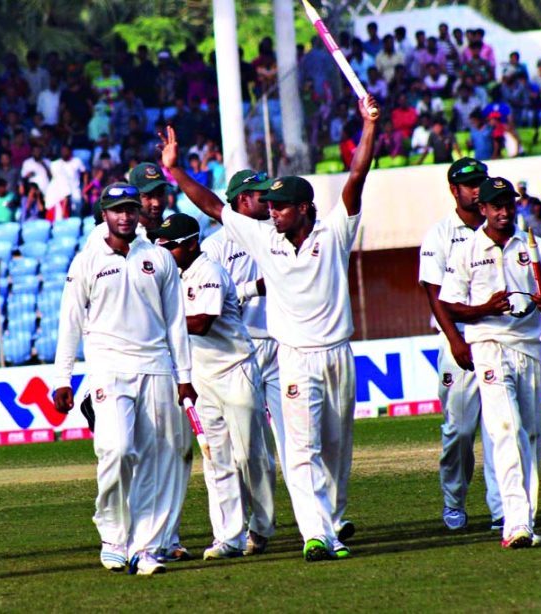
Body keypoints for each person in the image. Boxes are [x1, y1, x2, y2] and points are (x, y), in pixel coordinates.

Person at [158, 94, 379, 561]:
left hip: (338, 353)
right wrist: (176, 173)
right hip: (293, 356)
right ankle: (315, 535)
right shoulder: (264, 237)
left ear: (303, 208)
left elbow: (357, 177)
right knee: (300, 450)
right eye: (270, 205)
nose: (272, 212)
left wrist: (368, 125)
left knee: (337, 451)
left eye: (281, 206)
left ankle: (332, 524)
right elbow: (216, 208)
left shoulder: (334, 234)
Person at [53, 183, 196, 576]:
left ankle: (144, 548)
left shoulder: (158, 258)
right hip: (108, 369)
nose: (126, 216)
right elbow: (70, 321)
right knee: (116, 450)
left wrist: (184, 377)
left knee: (154, 460)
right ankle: (113, 536)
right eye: (118, 210)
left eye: (131, 209)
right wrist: (63, 377)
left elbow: (175, 323)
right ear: (104, 213)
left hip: (156, 368)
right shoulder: (87, 260)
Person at [439, 177, 541, 548]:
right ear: (482, 209)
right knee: (506, 428)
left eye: (508, 205)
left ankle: (525, 520)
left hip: (528, 348)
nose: (503, 212)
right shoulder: (467, 250)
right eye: (495, 206)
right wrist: (484, 309)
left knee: (530, 435)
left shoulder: (534, 246)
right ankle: (514, 521)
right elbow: (450, 304)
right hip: (488, 346)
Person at [152, 213, 277, 560]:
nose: (164, 250)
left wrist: (152, 321)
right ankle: (229, 537)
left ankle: (263, 525)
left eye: (170, 246)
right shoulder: (171, 275)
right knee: (215, 457)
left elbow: (203, 323)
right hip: (202, 379)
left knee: (249, 455)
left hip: (236, 370)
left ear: (192, 244)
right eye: (160, 245)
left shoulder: (209, 271)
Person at [201, 170, 286, 550]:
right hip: (239, 349)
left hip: (283, 344)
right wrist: (255, 289)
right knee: (236, 451)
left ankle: (322, 520)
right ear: (238, 200)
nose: (266, 201)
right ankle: (233, 533)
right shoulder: (216, 246)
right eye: (257, 195)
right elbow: (215, 298)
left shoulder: (277, 233)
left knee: (293, 439)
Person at [418, 158, 502, 531]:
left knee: (501, 427)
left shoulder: (499, 228)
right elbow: (433, 293)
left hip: (498, 338)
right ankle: (454, 502)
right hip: (459, 342)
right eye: (468, 184)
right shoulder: (440, 233)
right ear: (454, 190)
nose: (475, 188)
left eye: (480, 182)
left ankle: (504, 509)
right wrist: (455, 339)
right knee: (460, 432)